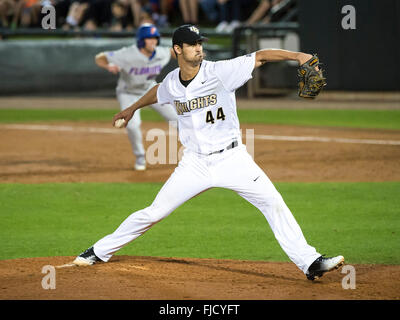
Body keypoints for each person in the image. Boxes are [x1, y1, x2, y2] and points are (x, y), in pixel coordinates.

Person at [74, 24, 344, 281]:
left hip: (233, 159)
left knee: (272, 204)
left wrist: (298, 56)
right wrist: (132, 108)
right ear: (177, 49)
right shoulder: (173, 82)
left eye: (200, 43)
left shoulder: (221, 71)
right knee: (154, 212)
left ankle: (310, 262)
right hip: (194, 164)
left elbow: (260, 56)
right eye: (192, 44)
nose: (198, 48)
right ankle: (99, 251)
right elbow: (158, 91)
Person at [94, 23, 178, 170]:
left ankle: (195, 152)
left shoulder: (161, 53)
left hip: (150, 90)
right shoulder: (127, 55)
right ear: (141, 40)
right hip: (128, 93)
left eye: (155, 38)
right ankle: (140, 158)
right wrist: (108, 66)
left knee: (177, 118)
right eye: (149, 38)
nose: (153, 41)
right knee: (132, 125)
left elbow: (174, 52)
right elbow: (100, 57)